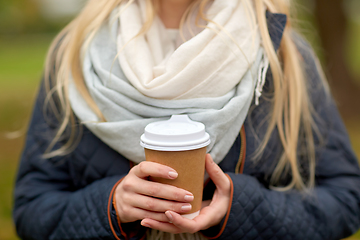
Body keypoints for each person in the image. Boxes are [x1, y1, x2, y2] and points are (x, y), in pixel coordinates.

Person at [13, 0, 360, 239]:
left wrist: (237, 208)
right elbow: (32, 209)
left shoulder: (282, 56)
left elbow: (344, 199)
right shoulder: (75, 55)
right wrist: (113, 204)